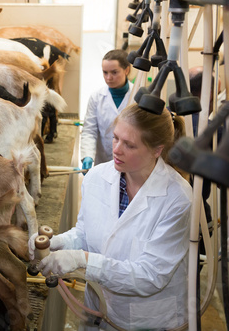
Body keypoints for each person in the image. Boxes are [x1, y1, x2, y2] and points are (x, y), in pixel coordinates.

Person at [30, 104, 192, 330]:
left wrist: (82, 259)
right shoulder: (97, 177)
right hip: (97, 309)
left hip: (149, 320)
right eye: (116, 138)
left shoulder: (177, 197)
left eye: (130, 145)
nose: (116, 149)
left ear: (157, 150)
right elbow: (85, 233)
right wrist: (57, 243)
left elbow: (150, 275)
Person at [80, 49, 133, 171]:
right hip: (103, 161)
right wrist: (88, 155)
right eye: (105, 72)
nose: (109, 78)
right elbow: (89, 130)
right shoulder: (96, 97)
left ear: (126, 70)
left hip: (130, 162)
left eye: (114, 72)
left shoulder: (137, 96)